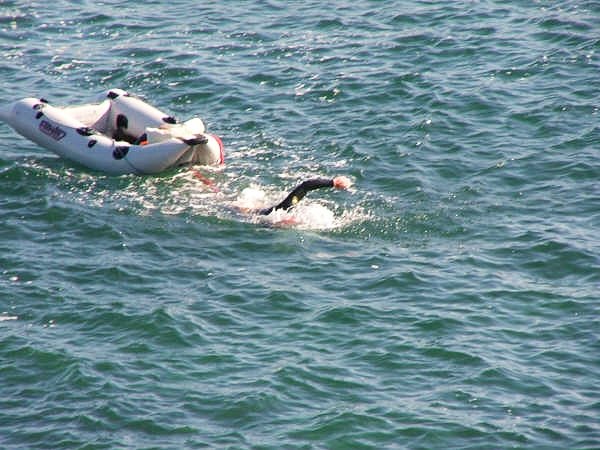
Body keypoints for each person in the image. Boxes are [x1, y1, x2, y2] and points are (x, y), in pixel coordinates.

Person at [258, 176, 351, 215]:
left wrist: (332, 182)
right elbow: (306, 186)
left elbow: (305, 186)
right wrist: (332, 183)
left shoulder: (283, 210)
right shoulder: (280, 212)